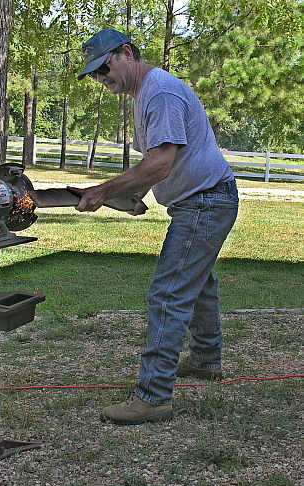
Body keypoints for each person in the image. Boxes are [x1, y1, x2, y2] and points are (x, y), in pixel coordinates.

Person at [69, 28, 239, 425]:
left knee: (169, 293)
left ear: (126, 53)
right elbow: (164, 164)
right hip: (203, 199)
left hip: (205, 201)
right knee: (198, 285)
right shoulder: (146, 93)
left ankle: (153, 396)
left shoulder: (158, 93)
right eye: (94, 73)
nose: (100, 78)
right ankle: (205, 360)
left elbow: (161, 163)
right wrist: (132, 195)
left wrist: (103, 190)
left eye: (104, 67)